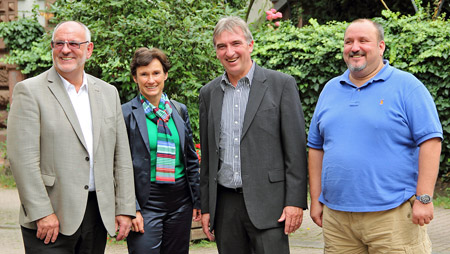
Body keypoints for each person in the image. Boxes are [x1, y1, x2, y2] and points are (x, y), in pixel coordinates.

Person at [308, 19, 443, 253]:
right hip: (338, 220)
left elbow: (430, 141)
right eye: (348, 42)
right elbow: (315, 147)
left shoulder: (407, 86)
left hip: (393, 216)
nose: (354, 47)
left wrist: (424, 198)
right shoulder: (330, 89)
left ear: (381, 47)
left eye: (363, 41)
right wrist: (316, 198)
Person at [6, 21, 135, 253]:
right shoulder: (29, 91)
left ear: (89, 49)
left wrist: (124, 208)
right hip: (50, 217)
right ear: (52, 47)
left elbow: (121, 156)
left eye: (74, 43)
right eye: (59, 43)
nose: (65, 49)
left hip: (96, 215)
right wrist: (42, 212)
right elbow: (22, 160)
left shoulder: (108, 93)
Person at [199, 16, 308, 253]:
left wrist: (295, 202)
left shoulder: (281, 85)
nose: (230, 52)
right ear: (216, 51)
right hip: (225, 206)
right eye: (222, 46)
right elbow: (207, 157)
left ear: (250, 45)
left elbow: (296, 150)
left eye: (236, 43)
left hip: (271, 205)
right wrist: (206, 207)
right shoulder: (208, 93)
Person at [122, 47, 201, 254]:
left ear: (165, 74)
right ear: (135, 78)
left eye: (156, 73)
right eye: (144, 74)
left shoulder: (179, 110)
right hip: (147, 202)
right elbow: (119, 166)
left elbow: (190, 159)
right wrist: (133, 208)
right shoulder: (125, 114)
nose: (151, 80)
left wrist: (198, 200)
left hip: (180, 201)